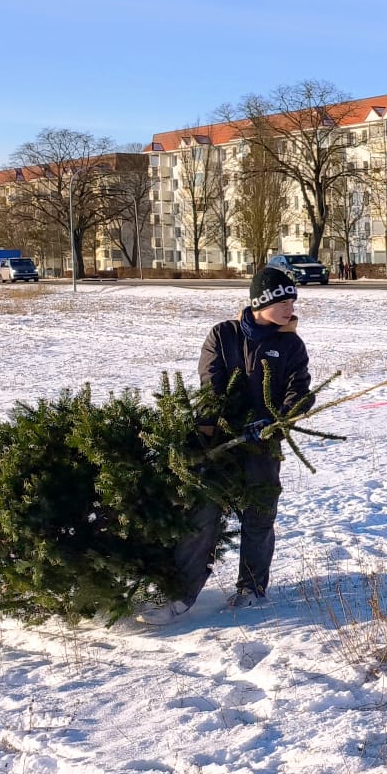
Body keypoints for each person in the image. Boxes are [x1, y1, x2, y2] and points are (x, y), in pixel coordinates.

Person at [140, 267, 312, 627]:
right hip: (219, 443)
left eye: (292, 301)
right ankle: (180, 594)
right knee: (202, 513)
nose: (291, 308)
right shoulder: (223, 335)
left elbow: (299, 390)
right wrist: (212, 431)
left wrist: (274, 420)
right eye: (283, 301)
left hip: (263, 444)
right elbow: (211, 385)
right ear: (261, 302)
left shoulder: (291, 345)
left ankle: (252, 588)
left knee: (259, 515)